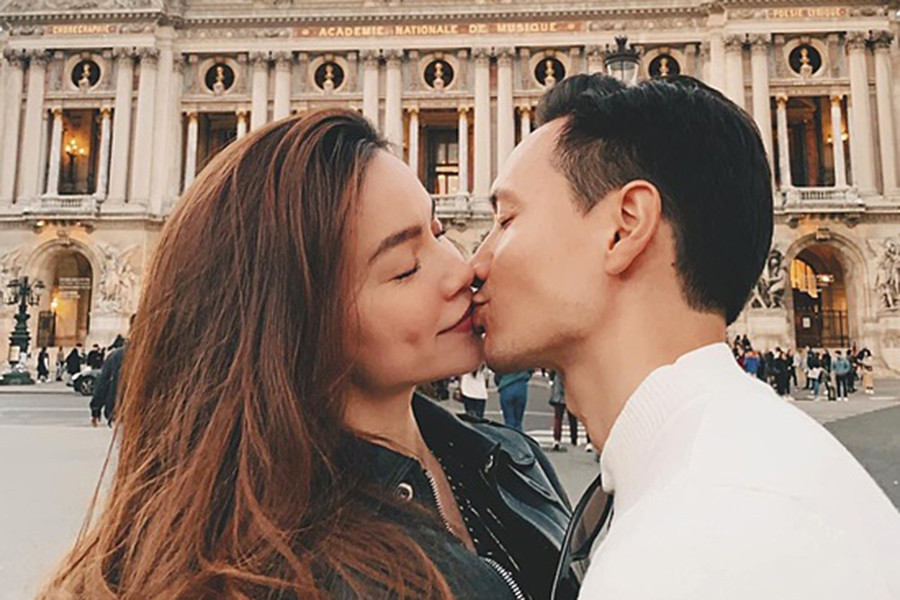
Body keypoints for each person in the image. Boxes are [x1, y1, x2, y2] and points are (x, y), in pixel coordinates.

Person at [41, 110, 578, 600]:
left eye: (437, 233)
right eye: (405, 269)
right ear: (297, 323)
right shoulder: (287, 579)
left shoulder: (512, 459)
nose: (464, 269)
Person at [470, 74, 900, 599]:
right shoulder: (736, 470)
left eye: (506, 219)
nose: (476, 263)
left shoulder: (685, 551)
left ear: (625, 227)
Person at [548, 370, 578, 451]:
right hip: (571, 385)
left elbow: (552, 370)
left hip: (559, 385)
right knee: (572, 416)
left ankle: (557, 439)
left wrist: (551, 379)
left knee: (558, 417)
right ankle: (574, 439)